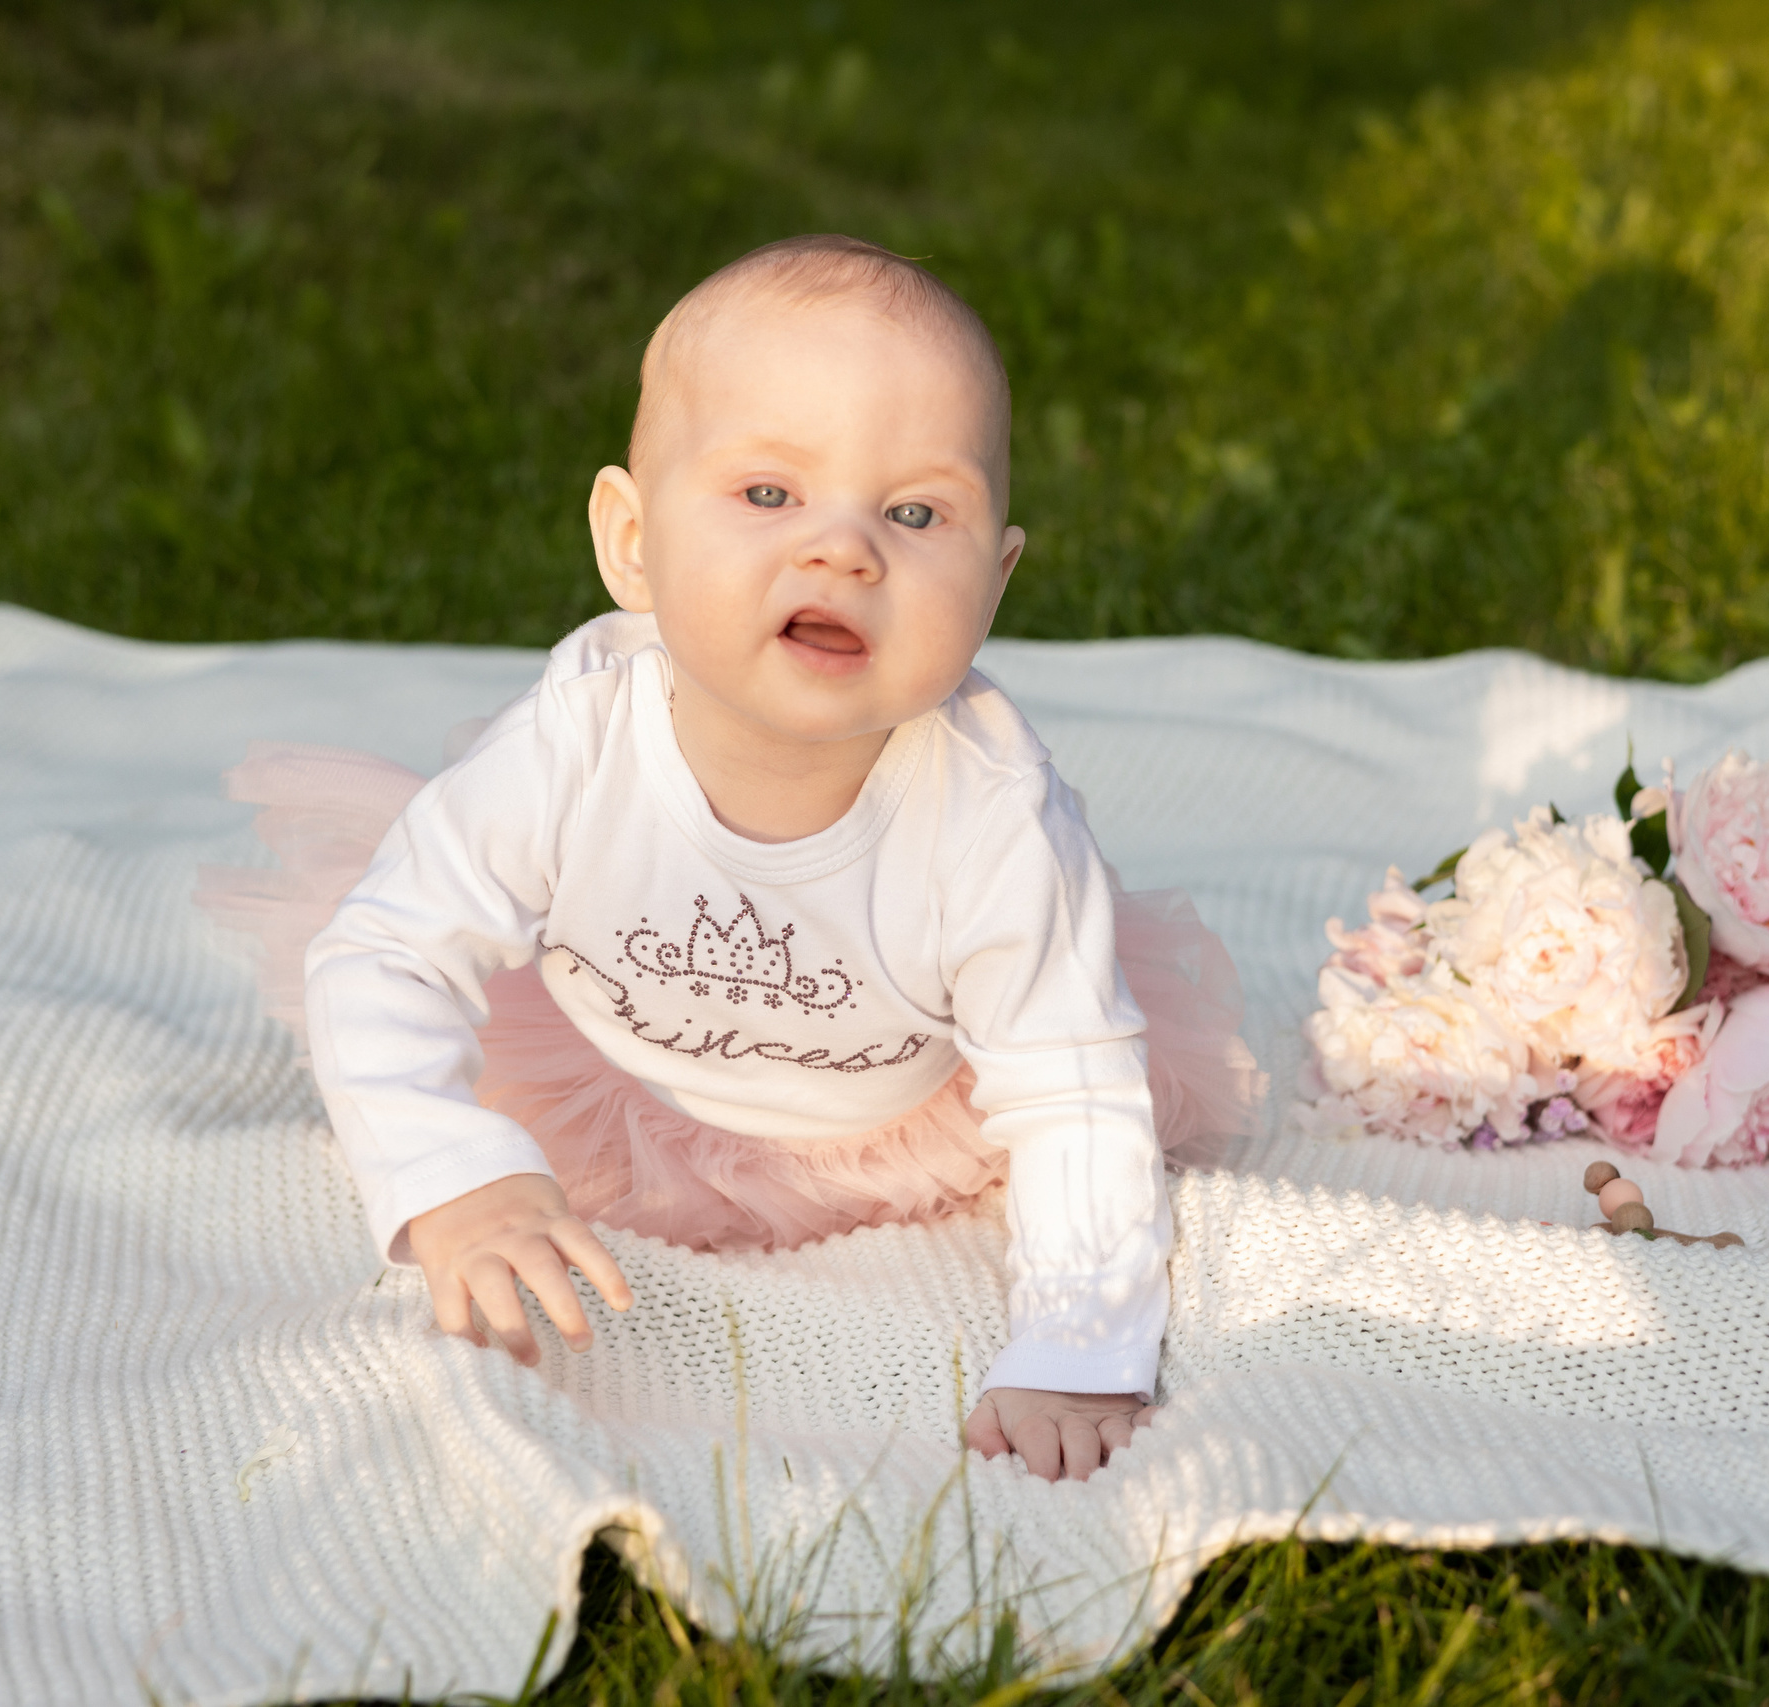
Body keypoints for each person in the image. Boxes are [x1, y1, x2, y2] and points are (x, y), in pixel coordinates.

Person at [197, 234, 1259, 1482]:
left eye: (917, 513)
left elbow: (1072, 1090)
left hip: (894, 1113)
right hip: (602, 1076)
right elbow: (385, 955)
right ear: (631, 541)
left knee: (1090, 1074)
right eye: (769, 494)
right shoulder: (577, 743)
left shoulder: (992, 816)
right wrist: (450, 1177)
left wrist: (1078, 1344)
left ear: (997, 580)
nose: (844, 551)